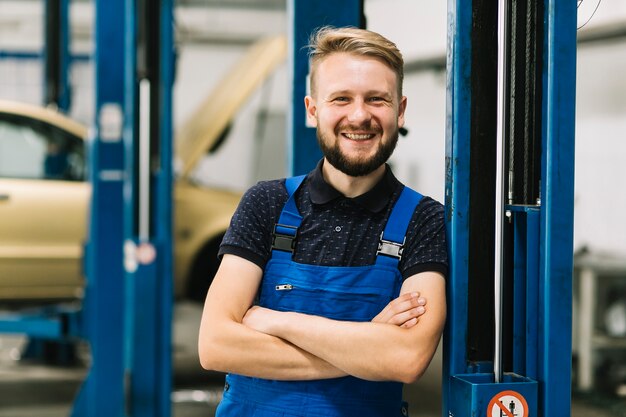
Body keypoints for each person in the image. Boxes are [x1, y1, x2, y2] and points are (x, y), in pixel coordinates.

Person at [198, 26, 448, 417]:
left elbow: (407, 358)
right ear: (313, 110)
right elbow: (216, 345)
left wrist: (276, 321)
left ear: (399, 110)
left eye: (377, 100)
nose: (360, 115)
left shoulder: (425, 218)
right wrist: (368, 348)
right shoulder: (266, 203)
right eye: (341, 98)